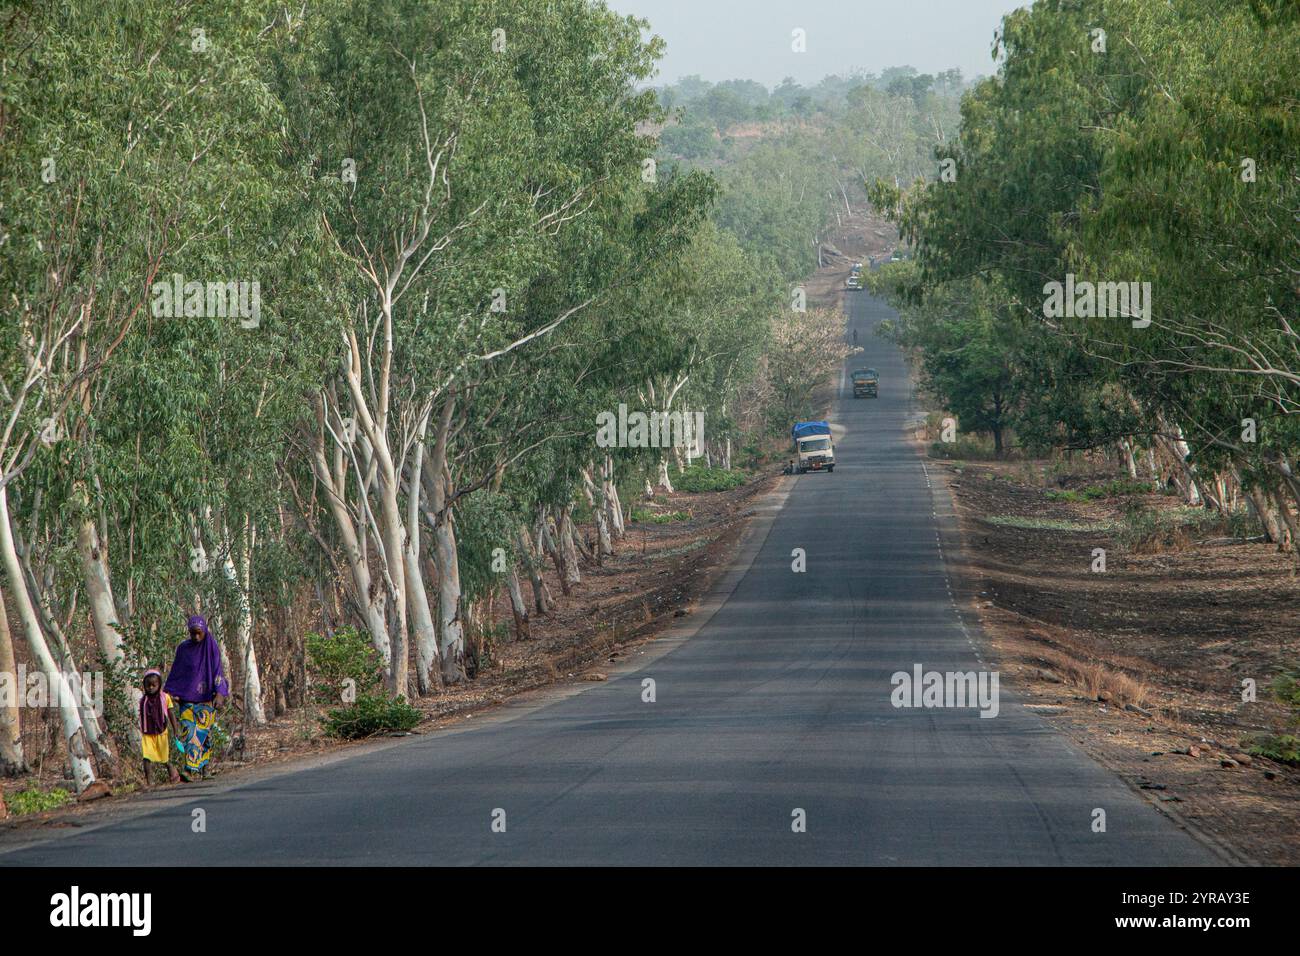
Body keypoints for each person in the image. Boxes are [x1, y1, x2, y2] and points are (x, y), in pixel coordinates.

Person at [163, 615, 229, 781]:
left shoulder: (211, 647)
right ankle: (190, 770)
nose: (196, 637)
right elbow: (177, 672)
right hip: (187, 700)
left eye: (199, 633)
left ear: (205, 631)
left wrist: (220, 693)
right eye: (193, 633)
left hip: (207, 699)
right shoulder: (183, 649)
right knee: (190, 732)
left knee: (204, 735)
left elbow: (217, 671)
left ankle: (204, 769)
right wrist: (172, 692)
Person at [139, 668, 181, 787]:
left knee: (164, 757)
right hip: (148, 733)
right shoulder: (144, 700)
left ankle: (172, 771)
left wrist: (175, 729)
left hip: (161, 732)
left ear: (159, 685)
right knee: (146, 757)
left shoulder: (165, 697)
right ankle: (149, 781)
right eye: (148, 685)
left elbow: (171, 714)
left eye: (154, 685)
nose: (151, 688)